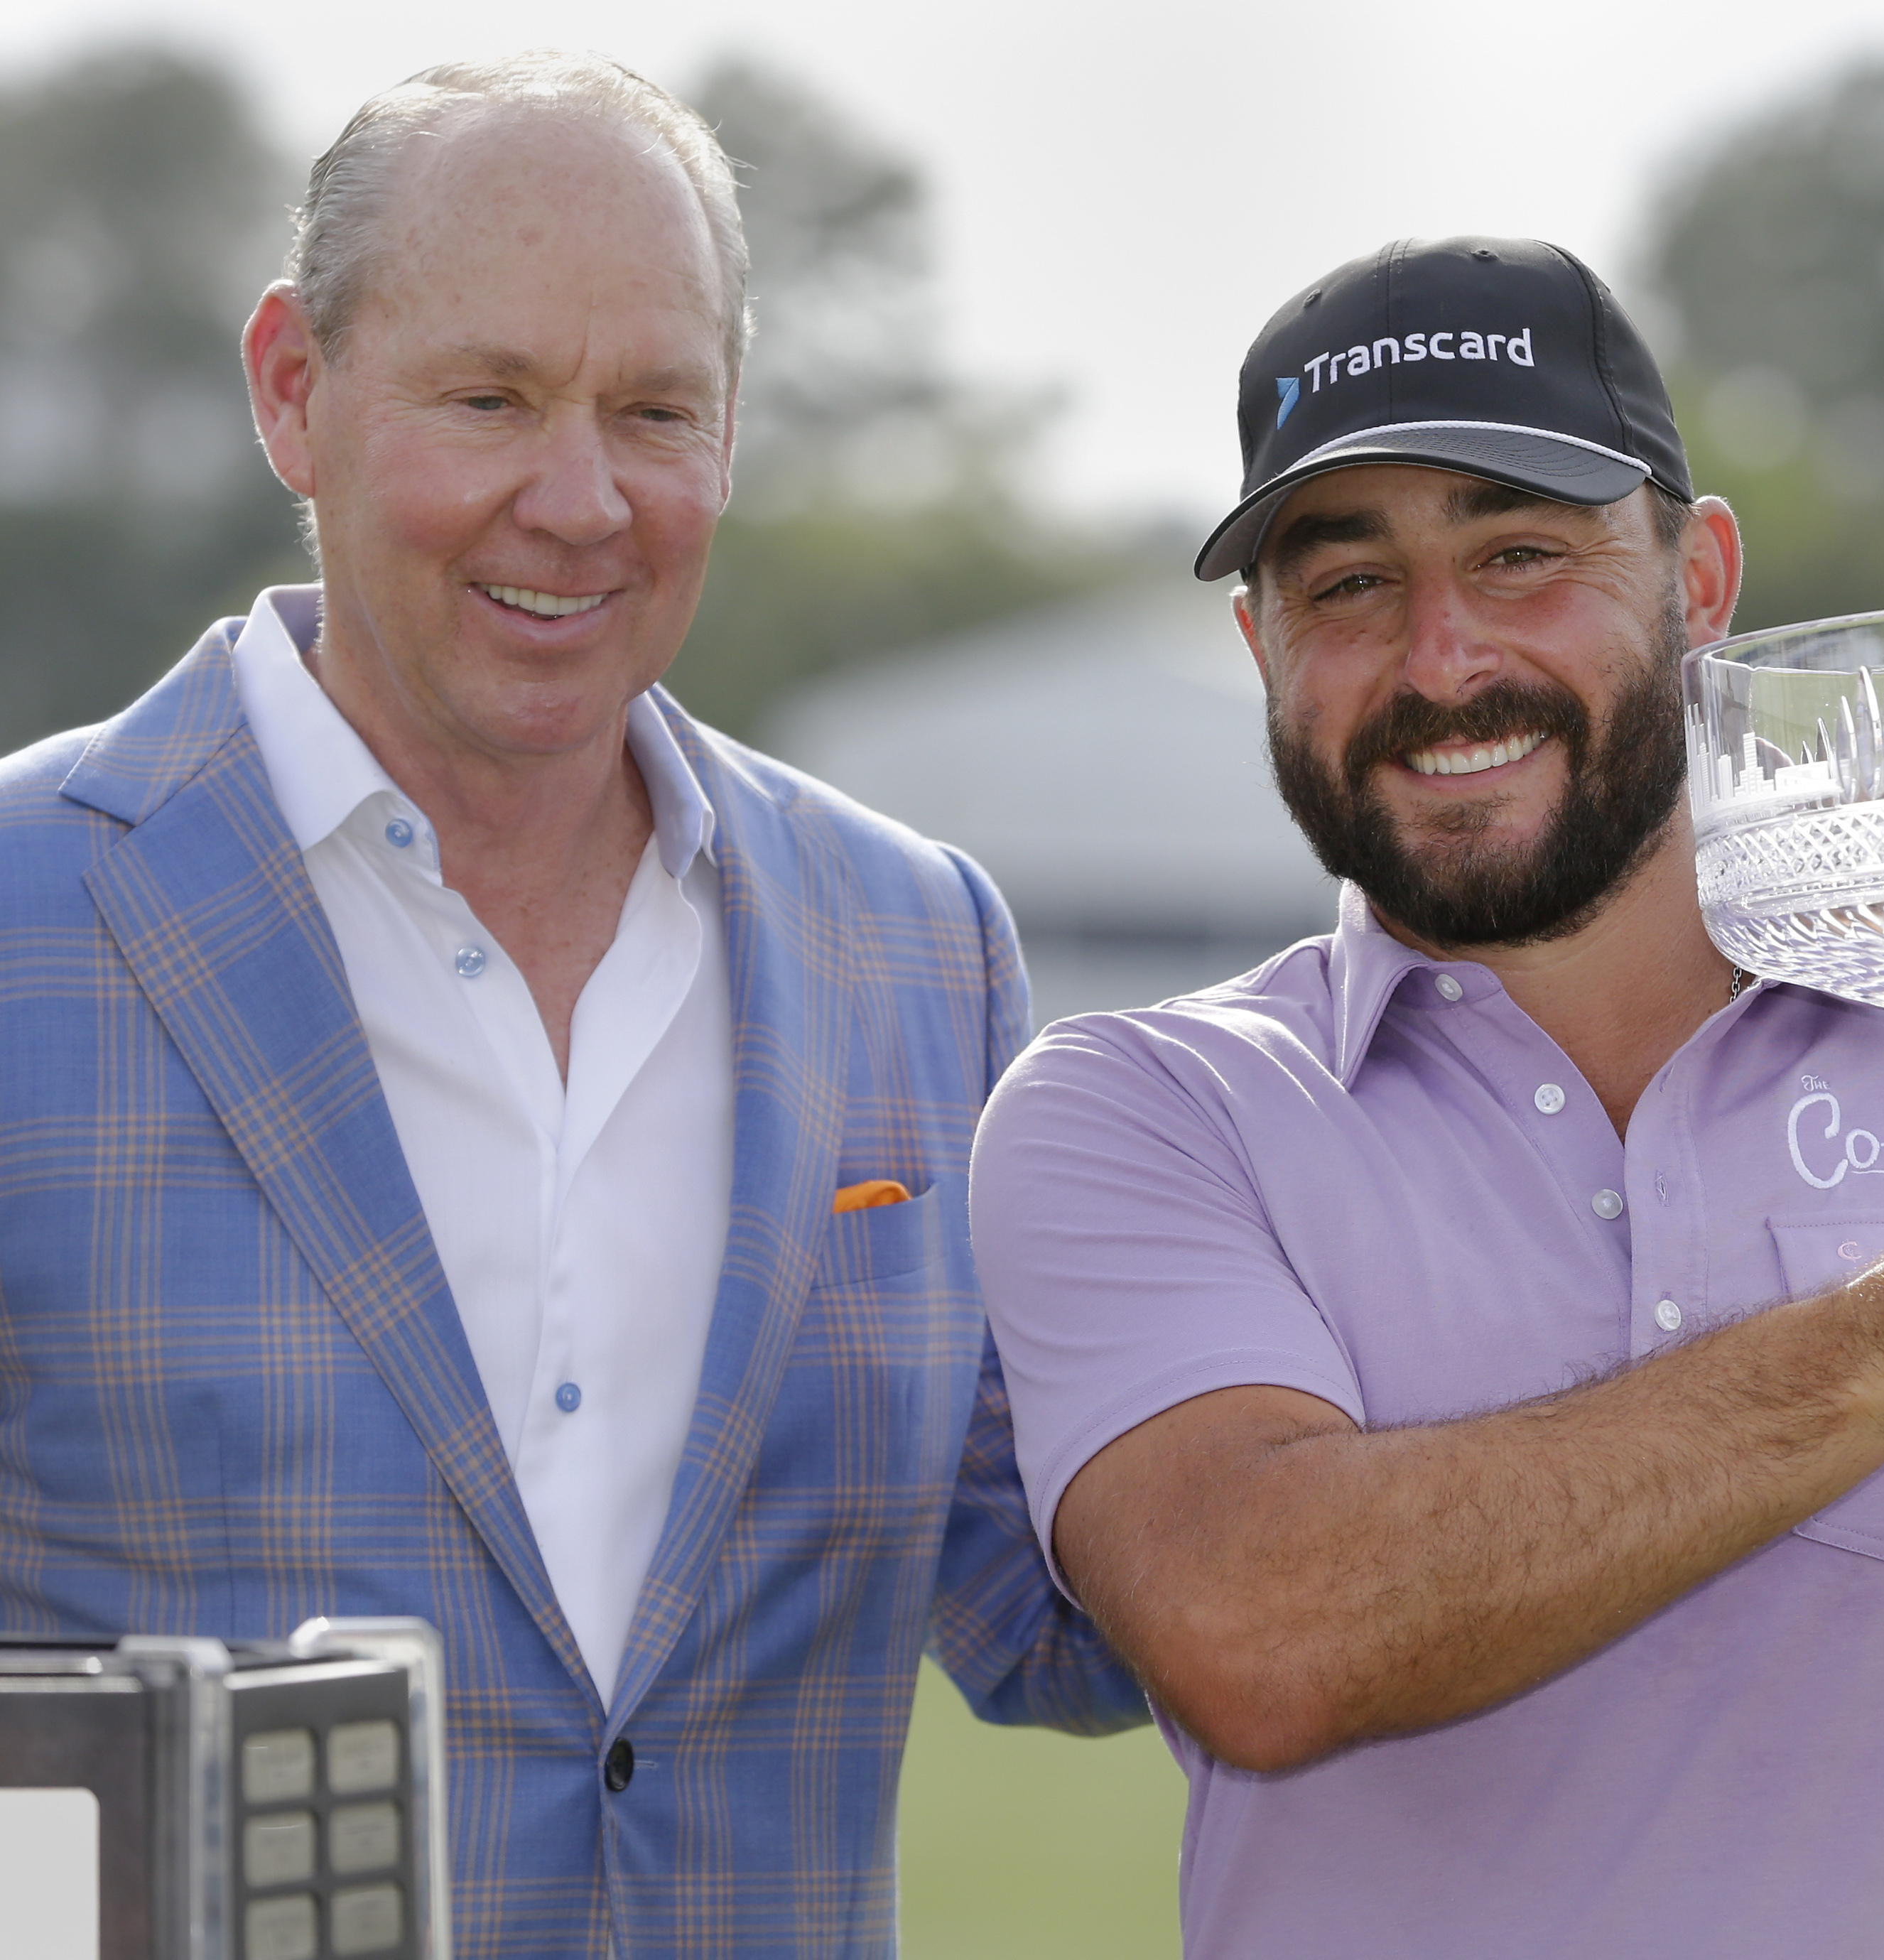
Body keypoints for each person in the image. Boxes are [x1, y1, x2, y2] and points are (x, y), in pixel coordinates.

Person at [970, 236, 1884, 1957]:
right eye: (1348, 584)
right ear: (1258, 643)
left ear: (1701, 580)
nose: (1442, 660)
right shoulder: (1140, 1110)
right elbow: (1259, 1634)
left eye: (1521, 554)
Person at [0, 53, 1140, 1957]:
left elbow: (1063, 1615)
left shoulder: (916, 946)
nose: (581, 498)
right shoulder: (21, 913)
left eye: (656, 410)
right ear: (295, 389)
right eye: (489, 400)